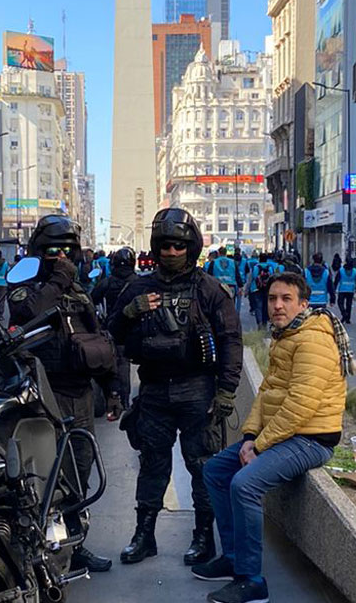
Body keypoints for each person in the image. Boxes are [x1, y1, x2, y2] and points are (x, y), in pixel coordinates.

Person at [195, 272, 352, 603]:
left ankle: (252, 581)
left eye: (286, 299)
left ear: (303, 304)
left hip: (312, 440)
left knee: (245, 484)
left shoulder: (312, 340)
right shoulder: (287, 335)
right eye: (271, 299)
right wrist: (250, 435)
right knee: (215, 471)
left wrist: (260, 445)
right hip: (284, 435)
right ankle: (233, 558)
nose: (277, 305)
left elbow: (300, 405)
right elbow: (266, 394)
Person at [108, 208, 242, 569]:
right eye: (165, 246)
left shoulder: (209, 289)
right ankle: (144, 536)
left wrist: (226, 390)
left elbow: (231, 340)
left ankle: (203, 537)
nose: (171, 252)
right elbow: (112, 333)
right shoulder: (138, 288)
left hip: (197, 390)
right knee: (152, 464)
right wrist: (130, 311)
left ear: (191, 247)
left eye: (178, 246)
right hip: (153, 391)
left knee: (202, 466)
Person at [8, 215, 116, 574]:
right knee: (42, 477)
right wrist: (57, 280)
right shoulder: (26, 287)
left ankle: (74, 544)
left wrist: (112, 390)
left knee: (79, 473)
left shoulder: (79, 291)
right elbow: (28, 315)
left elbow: (98, 342)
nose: (62, 257)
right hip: (40, 397)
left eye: (68, 251)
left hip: (80, 395)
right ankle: (37, 552)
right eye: (54, 251)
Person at [92, 246, 138, 415]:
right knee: (124, 364)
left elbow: (92, 299)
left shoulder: (108, 282)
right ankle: (123, 401)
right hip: (132, 330)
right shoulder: (137, 282)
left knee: (110, 364)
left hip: (111, 328)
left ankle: (113, 397)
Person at [334, 257, 356, 325]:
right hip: (351, 289)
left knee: (340, 303)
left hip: (342, 289)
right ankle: (348, 318)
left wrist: (334, 288)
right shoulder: (355, 271)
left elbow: (336, 280)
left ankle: (344, 313)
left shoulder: (341, 270)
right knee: (349, 304)